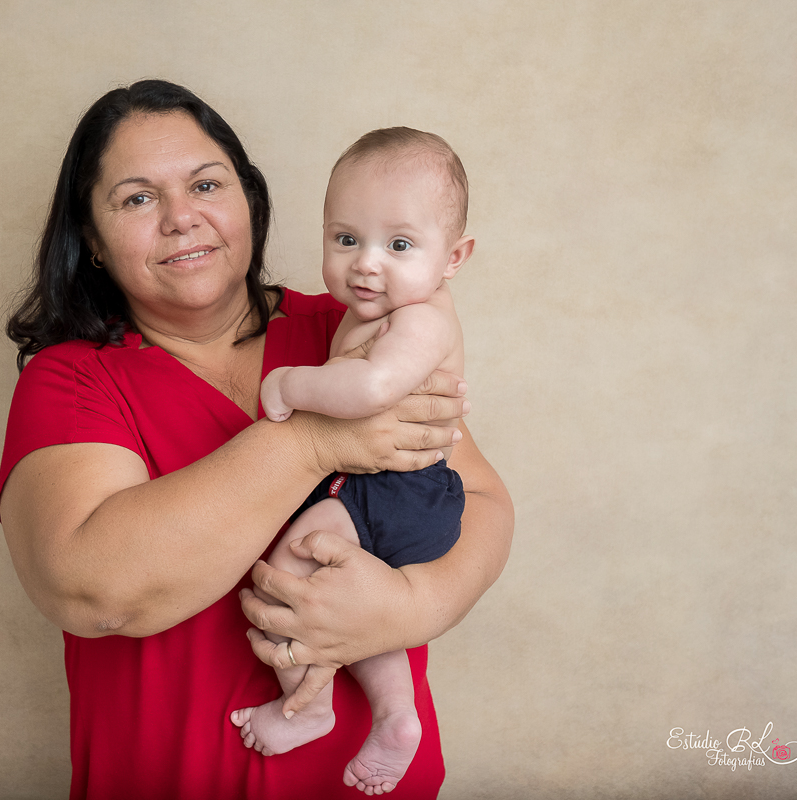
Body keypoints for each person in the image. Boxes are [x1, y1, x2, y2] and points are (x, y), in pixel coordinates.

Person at [0, 79, 513, 800]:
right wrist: (311, 444)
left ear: (250, 201)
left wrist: (411, 606)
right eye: (138, 198)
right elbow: (92, 588)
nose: (183, 218)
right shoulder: (73, 382)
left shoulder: (351, 326)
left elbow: (480, 500)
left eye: (206, 184)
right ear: (90, 238)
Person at [231, 127, 473, 795]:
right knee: (362, 609)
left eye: (399, 245)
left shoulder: (422, 319)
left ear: (454, 258)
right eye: (346, 239)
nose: (367, 263)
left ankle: (307, 707)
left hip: (400, 491)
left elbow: (369, 390)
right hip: (397, 494)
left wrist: (289, 386)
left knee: (288, 571)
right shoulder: (381, 309)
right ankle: (397, 716)